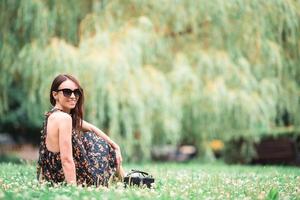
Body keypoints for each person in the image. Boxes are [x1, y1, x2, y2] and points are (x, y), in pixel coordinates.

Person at [37, 74, 125, 186]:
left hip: (52, 176)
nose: (73, 96)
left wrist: (115, 145)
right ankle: (125, 180)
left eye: (76, 92)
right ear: (55, 95)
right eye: (67, 92)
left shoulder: (52, 115)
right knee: (100, 144)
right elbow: (66, 160)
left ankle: (124, 178)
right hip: (66, 178)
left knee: (90, 137)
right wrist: (73, 189)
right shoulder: (64, 119)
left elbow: (91, 128)